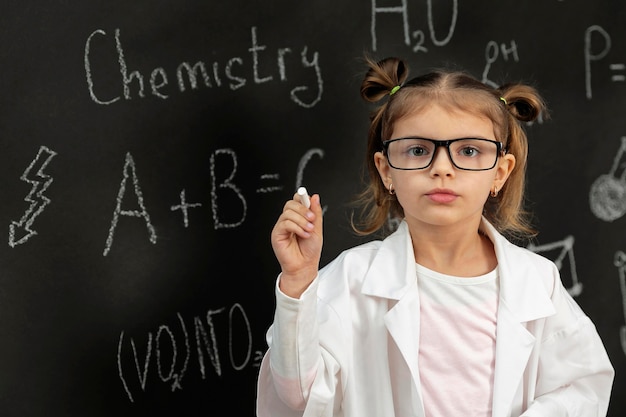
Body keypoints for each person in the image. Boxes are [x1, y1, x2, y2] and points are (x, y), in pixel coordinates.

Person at [256, 56, 615, 417]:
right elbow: (297, 395)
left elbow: (583, 386)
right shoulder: (352, 279)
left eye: (469, 150)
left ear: (500, 173)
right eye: (418, 150)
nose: (441, 168)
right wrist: (298, 283)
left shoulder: (538, 282)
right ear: (386, 170)